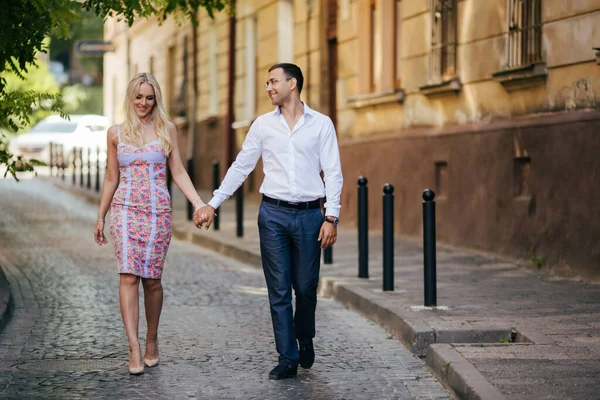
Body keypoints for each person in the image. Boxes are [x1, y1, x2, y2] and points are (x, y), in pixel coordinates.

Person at [194, 63, 343, 380]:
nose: (269, 88)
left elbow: (332, 172)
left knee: (304, 287)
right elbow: (241, 167)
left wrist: (332, 216)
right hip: (272, 215)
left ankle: (304, 336)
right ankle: (287, 357)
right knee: (278, 290)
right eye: (266, 83)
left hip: (309, 215)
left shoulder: (321, 125)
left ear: (293, 83)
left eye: (273, 82)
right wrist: (212, 203)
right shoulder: (262, 125)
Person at [94, 73, 208, 375]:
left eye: (149, 97)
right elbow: (110, 177)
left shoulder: (166, 129)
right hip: (125, 211)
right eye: (138, 97)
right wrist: (101, 216)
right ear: (130, 98)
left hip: (158, 213)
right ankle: (133, 347)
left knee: (152, 281)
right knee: (128, 276)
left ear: (155, 98)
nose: (143, 103)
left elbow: (179, 171)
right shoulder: (115, 133)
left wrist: (198, 203)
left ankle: (152, 339)